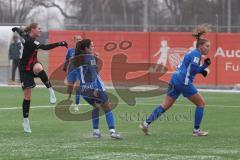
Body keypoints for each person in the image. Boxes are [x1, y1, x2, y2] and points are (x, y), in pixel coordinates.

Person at [140, 24, 212, 136]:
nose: (209, 48)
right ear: (200, 46)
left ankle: (145, 123)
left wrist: (202, 69)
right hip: (183, 82)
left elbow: (190, 68)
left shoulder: (192, 53)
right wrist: (204, 68)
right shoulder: (196, 54)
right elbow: (193, 69)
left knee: (165, 105)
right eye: (207, 46)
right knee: (201, 103)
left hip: (175, 79)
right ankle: (196, 131)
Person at [12, 23, 68, 133]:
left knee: (38, 67)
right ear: (33, 29)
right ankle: (26, 121)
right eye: (39, 29)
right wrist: (60, 43)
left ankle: (51, 90)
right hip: (24, 70)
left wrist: (15, 28)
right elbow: (45, 47)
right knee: (27, 96)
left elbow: (20, 31)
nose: (41, 30)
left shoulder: (29, 38)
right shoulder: (31, 41)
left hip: (33, 64)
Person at [74, 39, 122, 139]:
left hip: (83, 90)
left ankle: (96, 132)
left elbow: (84, 72)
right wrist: (95, 88)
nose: (93, 47)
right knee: (107, 108)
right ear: (86, 48)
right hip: (94, 88)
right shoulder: (90, 58)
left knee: (96, 107)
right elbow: (93, 73)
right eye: (91, 46)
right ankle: (112, 132)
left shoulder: (77, 59)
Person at [63, 35, 82, 112]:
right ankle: (67, 100)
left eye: (80, 39)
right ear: (74, 41)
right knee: (69, 89)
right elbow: (67, 59)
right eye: (77, 39)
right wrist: (65, 67)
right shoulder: (70, 50)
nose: (79, 41)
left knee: (78, 88)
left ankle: (76, 105)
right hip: (71, 72)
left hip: (79, 73)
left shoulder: (85, 51)